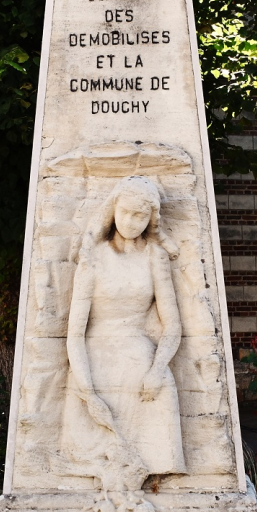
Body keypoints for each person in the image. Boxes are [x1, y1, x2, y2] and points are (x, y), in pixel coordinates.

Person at [63, 175, 187, 495]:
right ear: (113, 209)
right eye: (127, 212)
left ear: (151, 219)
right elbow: (74, 334)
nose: (132, 222)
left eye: (141, 215)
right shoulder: (92, 257)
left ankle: (153, 474)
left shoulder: (155, 257)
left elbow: (172, 325)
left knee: (162, 389)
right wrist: (88, 392)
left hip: (139, 350)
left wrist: (158, 369)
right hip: (96, 357)